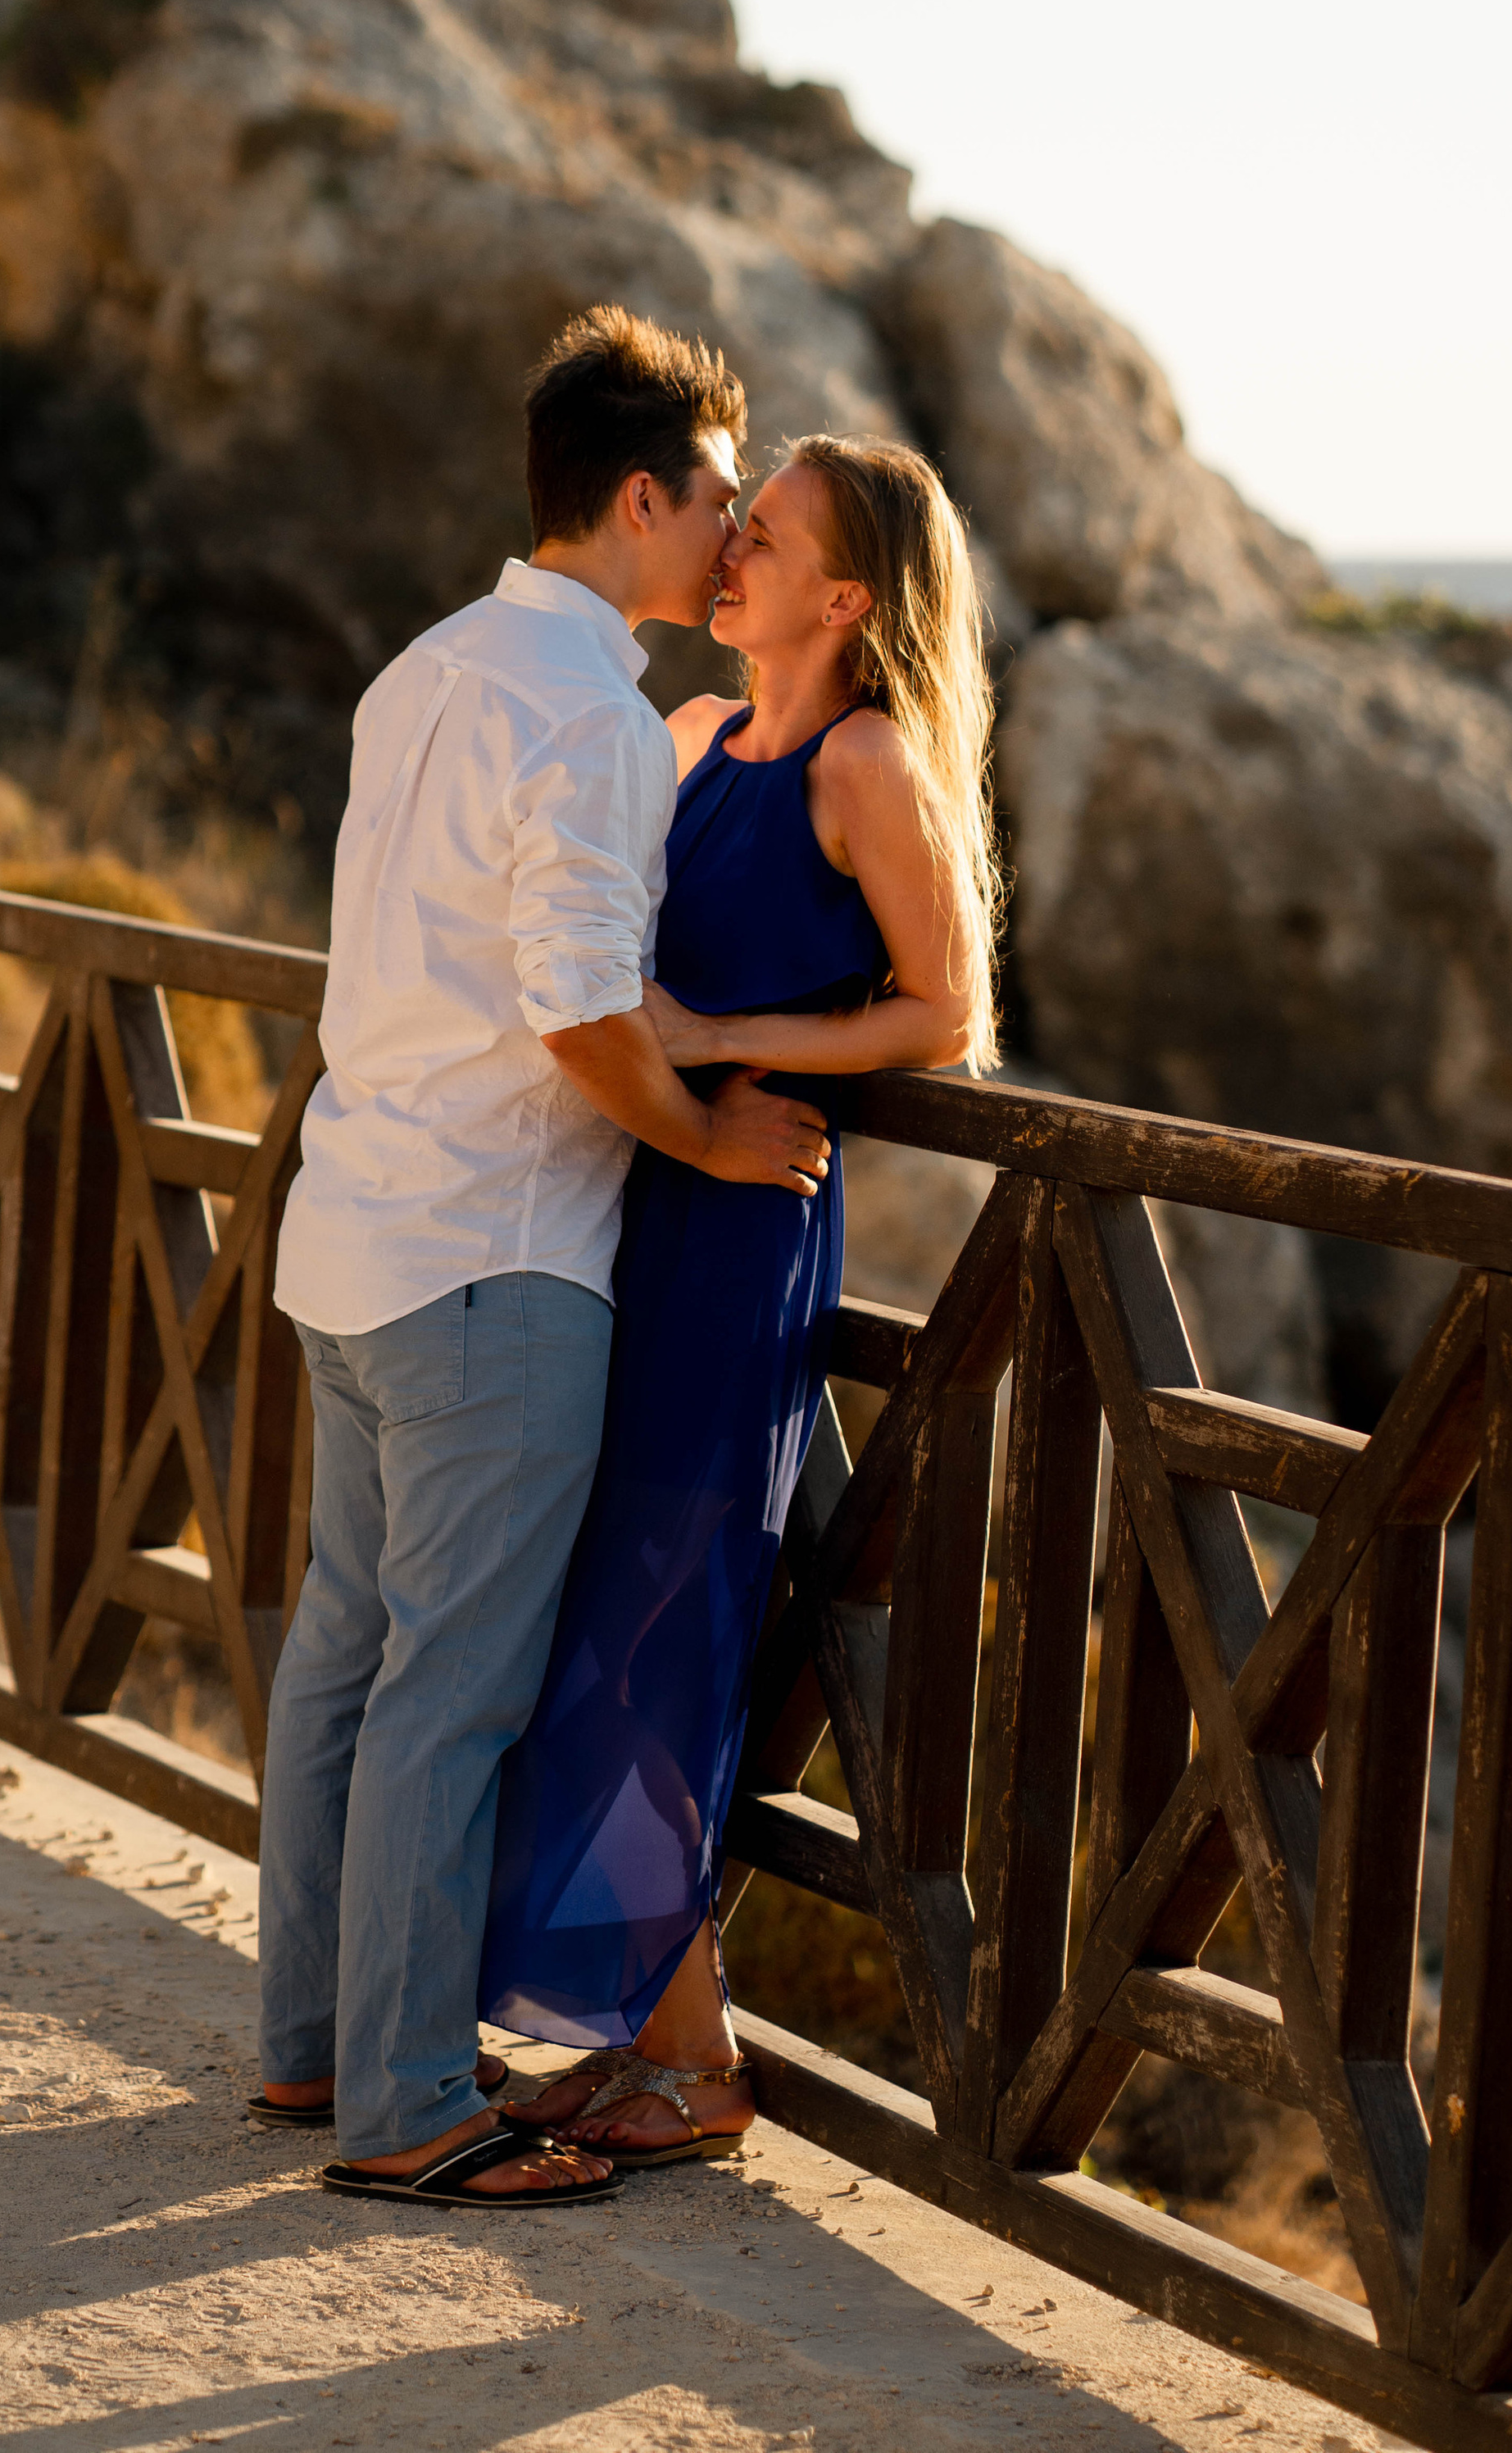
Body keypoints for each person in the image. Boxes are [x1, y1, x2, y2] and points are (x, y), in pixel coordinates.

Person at [256, 307, 834, 2213]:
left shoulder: (426, 669)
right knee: (451, 1691)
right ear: (640, 496)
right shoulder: (588, 715)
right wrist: (719, 1138)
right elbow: (582, 1018)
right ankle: (413, 2106)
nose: (733, 535)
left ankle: (314, 2047)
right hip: (495, 1267)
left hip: (352, 1228)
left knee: (344, 1661)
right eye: (721, 499)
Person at [481, 432, 1000, 2168]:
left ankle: (692, 2066)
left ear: (841, 599)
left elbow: (941, 1015)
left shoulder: (863, 763)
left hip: (744, 1225)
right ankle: (652, 2034)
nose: (727, 557)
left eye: (759, 541)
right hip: (635, 1201)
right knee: (584, 1611)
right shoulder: (695, 736)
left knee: (661, 1618)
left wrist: (721, 1044)